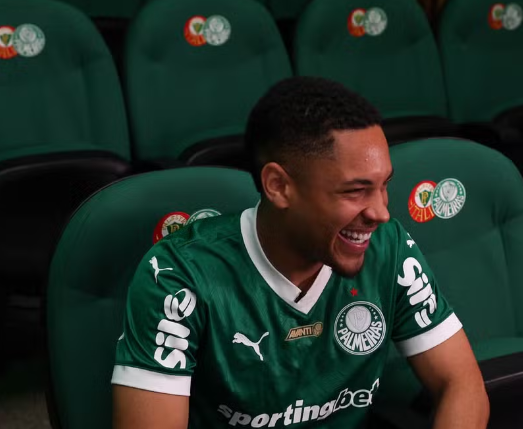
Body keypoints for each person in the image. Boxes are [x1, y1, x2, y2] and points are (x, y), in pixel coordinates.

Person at [111, 76, 489, 429]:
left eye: (383, 185)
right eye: (355, 191)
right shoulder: (179, 274)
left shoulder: (387, 245)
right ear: (278, 186)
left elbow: (461, 385)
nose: (381, 213)